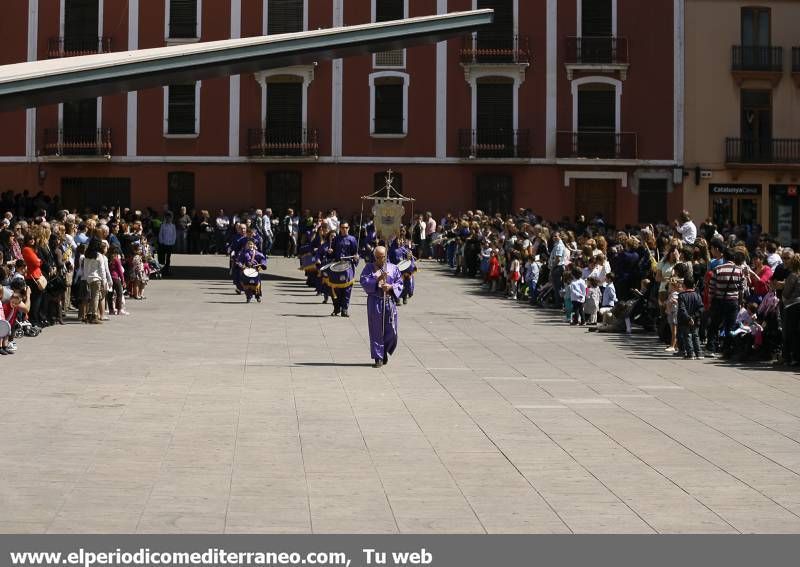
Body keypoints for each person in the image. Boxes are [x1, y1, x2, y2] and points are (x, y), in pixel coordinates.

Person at [359, 245, 404, 368]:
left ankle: (385, 350)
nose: (380, 260)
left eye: (382, 257)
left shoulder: (393, 268)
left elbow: (399, 282)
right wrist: (377, 280)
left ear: (386, 256)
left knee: (391, 330)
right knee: (376, 330)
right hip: (375, 302)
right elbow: (364, 281)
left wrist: (390, 287)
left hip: (389, 302)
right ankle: (378, 357)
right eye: (377, 257)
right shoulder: (369, 268)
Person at [330, 222, 359, 317]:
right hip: (337, 266)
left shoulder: (352, 239)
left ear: (348, 228)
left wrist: (356, 257)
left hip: (348, 266)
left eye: (346, 227)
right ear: (340, 228)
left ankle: (345, 309)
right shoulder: (336, 239)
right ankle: (336, 308)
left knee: (347, 289)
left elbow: (356, 253)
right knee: (336, 288)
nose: (344, 229)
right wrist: (330, 252)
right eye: (342, 227)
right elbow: (331, 253)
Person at [677, 275, 704, 359]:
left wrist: (689, 318)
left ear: (684, 285)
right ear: (694, 285)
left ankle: (690, 353)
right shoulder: (697, 295)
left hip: (685, 320)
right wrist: (694, 316)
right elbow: (701, 308)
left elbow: (682, 309)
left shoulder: (681, 295)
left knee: (687, 335)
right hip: (695, 319)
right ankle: (698, 353)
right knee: (695, 335)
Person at [236, 239, 268, 303]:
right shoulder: (243, 253)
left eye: (251, 244)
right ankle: (248, 297)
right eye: (248, 244)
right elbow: (239, 261)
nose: (250, 245)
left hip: (255, 269)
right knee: (246, 284)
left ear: (254, 245)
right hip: (247, 269)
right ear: (246, 245)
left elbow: (262, 259)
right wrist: (241, 265)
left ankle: (257, 295)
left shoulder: (257, 253)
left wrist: (262, 265)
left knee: (257, 284)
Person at [158, 212, 177, 276]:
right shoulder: (163, 225)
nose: (168, 219)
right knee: (162, 256)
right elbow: (160, 234)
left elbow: (174, 235)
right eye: (167, 218)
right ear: (166, 218)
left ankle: (167, 268)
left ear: (171, 219)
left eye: (170, 218)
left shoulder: (173, 226)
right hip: (164, 243)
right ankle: (162, 269)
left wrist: (173, 242)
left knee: (168, 257)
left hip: (170, 244)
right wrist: (161, 241)